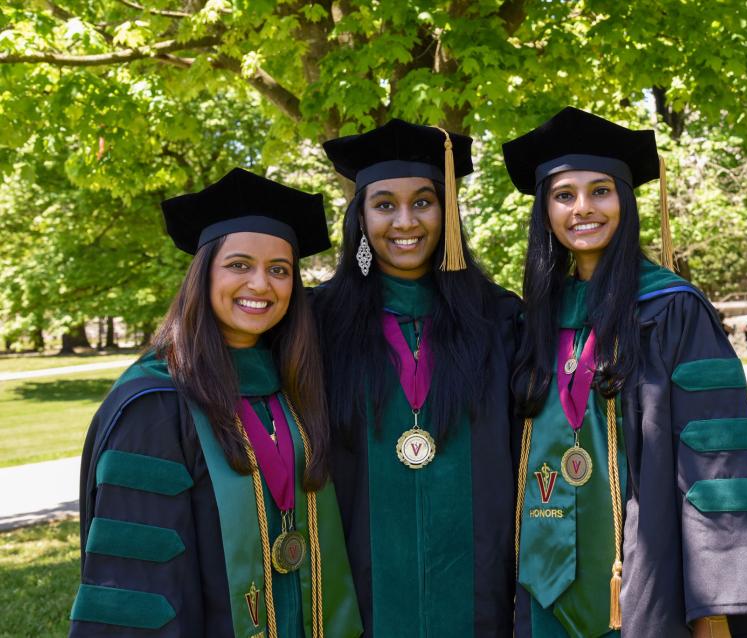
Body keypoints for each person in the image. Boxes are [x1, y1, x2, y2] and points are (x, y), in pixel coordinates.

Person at [503, 107, 747, 638]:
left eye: (601, 192)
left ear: (627, 202)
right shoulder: (532, 319)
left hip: (641, 575)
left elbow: (715, 464)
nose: (582, 209)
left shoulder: (673, 310)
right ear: (544, 211)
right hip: (537, 581)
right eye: (564, 195)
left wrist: (713, 609)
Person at [69, 168, 362, 637]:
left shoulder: (297, 388)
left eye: (279, 270)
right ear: (204, 274)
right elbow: (137, 584)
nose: (261, 285)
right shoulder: (156, 404)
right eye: (239, 265)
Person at [313, 119, 523, 637]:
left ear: (447, 214)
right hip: (356, 596)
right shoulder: (316, 324)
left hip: (482, 591)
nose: (404, 221)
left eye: (423, 202)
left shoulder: (500, 320)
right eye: (384, 204)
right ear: (360, 217)